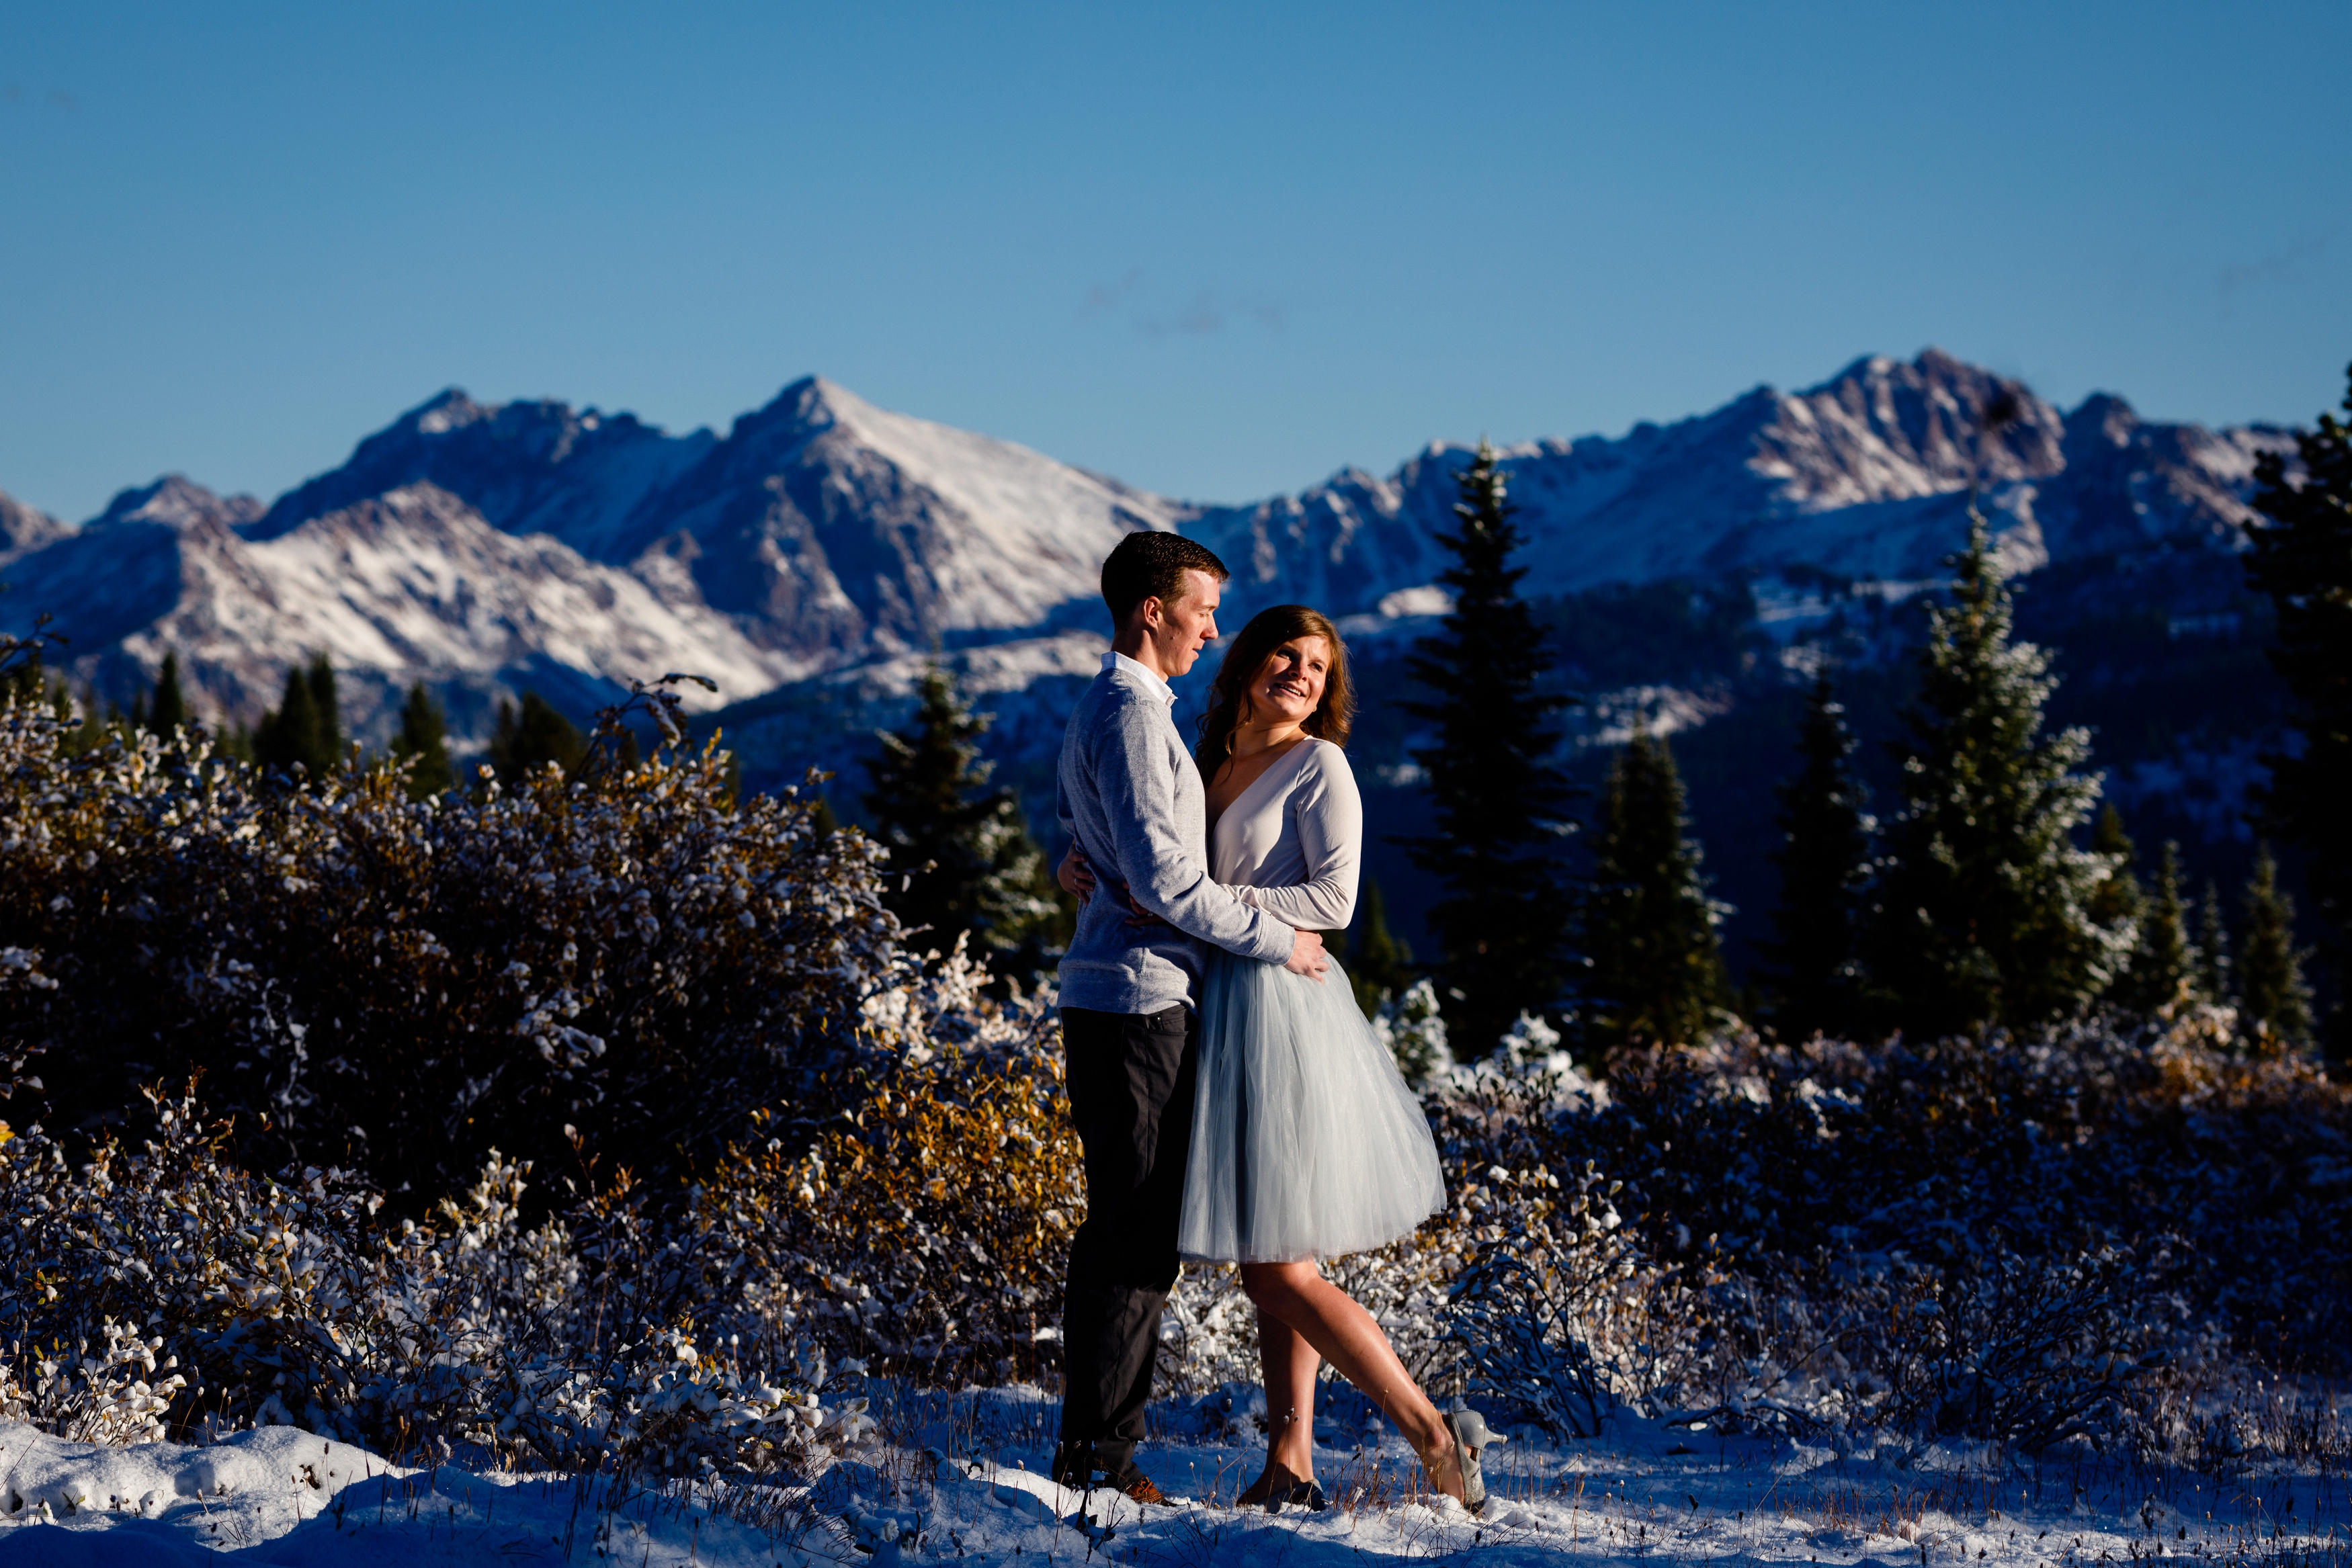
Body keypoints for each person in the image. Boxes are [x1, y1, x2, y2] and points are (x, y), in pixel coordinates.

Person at [1063, 604, 1501, 1515]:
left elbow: (1334, 899)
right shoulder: (1208, 751)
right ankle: (1290, 1462)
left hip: (1281, 1007)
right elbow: (1147, 840)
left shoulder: (1320, 764)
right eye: (1285, 654)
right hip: (1214, 998)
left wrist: (1199, 896)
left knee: (1274, 1265)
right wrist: (1087, 865)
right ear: (1247, 661)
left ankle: (1431, 1430)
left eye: (1318, 667)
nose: (1301, 674)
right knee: (1277, 1238)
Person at [1050, 533, 1332, 1506]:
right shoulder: (1131, 714)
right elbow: (1172, 880)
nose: (1216, 628)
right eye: (1204, 609)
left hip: (1129, 992)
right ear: (1151, 611)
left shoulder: (1121, 708)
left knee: (1127, 1229)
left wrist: (1074, 860)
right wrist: (1278, 939)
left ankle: (1098, 1448)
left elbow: (1086, 821)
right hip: (1135, 999)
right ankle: (1099, 1461)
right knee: (1133, 1236)